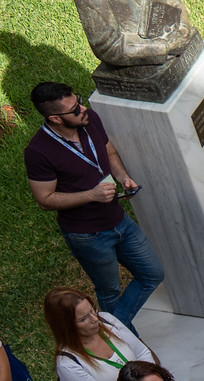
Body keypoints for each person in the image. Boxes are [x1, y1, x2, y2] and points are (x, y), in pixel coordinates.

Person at [25, 82, 161, 324]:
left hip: (119, 219)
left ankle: (113, 329)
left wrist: (123, 178)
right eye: (74, 108)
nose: (83, 108)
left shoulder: (90, 120)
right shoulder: (38, 151)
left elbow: (109, 153)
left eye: (78, 101)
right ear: (55, 119)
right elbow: (44, 199)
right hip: (88, 235)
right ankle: (123, 337)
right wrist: (92, 195)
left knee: (152, 274)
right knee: (109, 292)